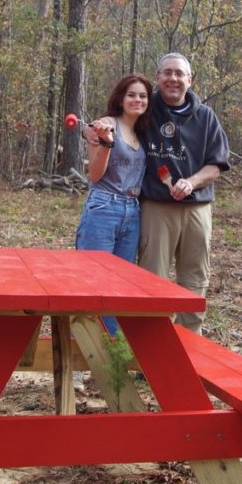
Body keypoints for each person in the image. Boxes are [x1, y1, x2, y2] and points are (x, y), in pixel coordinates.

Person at [89, 53, 230, 334]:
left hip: (196, 209)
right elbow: (111, 122)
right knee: (152, 279)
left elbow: (217, 165)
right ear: (158, 78)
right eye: (167, 73)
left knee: (194, 277)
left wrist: (191, 182)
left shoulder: (205, 117)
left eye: (179, 74)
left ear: (190, 80)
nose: (173, 79)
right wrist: (88, 130)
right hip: (155, 207)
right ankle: (154, 346)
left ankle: (191, 345)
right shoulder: (146, 109)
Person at [75, 73, 154, 334]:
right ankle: (86, 350)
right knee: (94, 282)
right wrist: (105, 142)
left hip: (132, 213)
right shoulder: (107, 125)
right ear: (120, 98)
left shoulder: (143, 131)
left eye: (142, 96)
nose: (137, 100)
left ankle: (110, 355)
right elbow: (95, 175)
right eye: (131, 94)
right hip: (103, 208)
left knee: (120, 286)